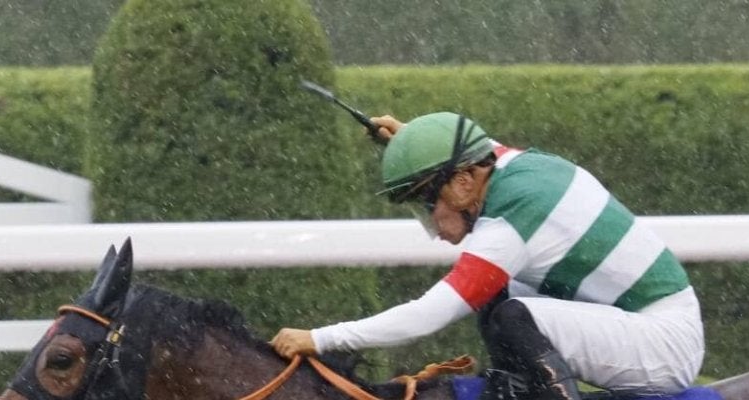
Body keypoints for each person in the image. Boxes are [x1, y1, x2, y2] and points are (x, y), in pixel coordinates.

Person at [271, 112, 704, 400]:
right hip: (640, 323)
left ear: (463, 184)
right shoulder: (507, 165)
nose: (434, 224)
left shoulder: (509, 223)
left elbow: (429, 314)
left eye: (428, 204)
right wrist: (412, 140)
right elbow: (466, 147)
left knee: (512, 316)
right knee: (500, 304)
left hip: (664, 345)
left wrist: (322, 338)